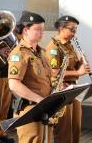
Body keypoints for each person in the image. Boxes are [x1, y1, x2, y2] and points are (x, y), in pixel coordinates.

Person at [8, 11, 52, 143]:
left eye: (42, 29)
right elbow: (14, 84)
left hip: (44, 109)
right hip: (30, 110)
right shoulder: (19, 53)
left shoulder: (41, 52)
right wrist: (39, 99)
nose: (42, 33)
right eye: (38, 29)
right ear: (26, 30)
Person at [45, 15, 91, 143]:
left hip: (73, 90)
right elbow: (54, 72)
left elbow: (72, 65)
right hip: (62, 91)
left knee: (75, 127)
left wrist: (81, 64)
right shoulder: (53, 47)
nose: (74, 32)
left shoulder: (69, 45)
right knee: (64, 130)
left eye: (76, 29)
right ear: (61, 28)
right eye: (72, 29)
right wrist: (78, 72)